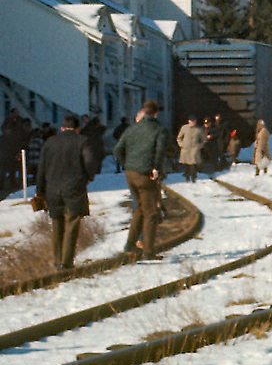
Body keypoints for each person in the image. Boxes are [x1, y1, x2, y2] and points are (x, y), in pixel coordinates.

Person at [35, 115, 101, 269]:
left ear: (62, 128)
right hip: (74, 188)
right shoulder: (82, 141)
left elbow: (41, 168)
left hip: (52, 189)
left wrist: (39, 190)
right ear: (78, 129)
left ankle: (57, 261)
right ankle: (67, 262)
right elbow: (90, 161)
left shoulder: (50, 142)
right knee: (72, 223)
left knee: (57, 223)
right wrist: (88, 177)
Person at [113, 101, 171, 259]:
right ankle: (148, 251)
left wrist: (127, 165)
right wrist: (156, 168)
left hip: (130, 174)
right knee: (151, 212)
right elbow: (160, 152)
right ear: (156, 113)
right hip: (147, 174)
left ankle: (130, 245)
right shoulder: (160, 130)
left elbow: (117, 149)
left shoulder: (131, 129)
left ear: (144, 113)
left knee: (139, 207)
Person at [177, 117, 205, 182]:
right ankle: (187, 177)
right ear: (188, 121)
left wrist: (200, 146)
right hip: (186, 149)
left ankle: (193, 178)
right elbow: (179, 138)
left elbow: (203, 139)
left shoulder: (199, 129)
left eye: (194, 121)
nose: (192, 122)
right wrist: (181, 145)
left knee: (193, 165)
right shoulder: (184, 128)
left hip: (194, 150)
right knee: (186, 165)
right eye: (191, 121)